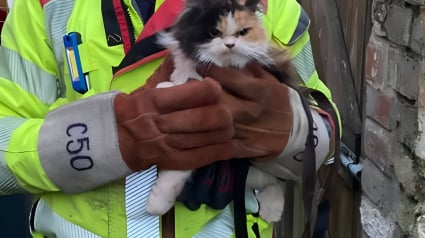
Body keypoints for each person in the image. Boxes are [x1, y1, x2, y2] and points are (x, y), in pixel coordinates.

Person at [0, 0, 340, 237]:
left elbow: (327, 135)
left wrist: (290, 130)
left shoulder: (274, 5)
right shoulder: (44, 5)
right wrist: (110, 137)